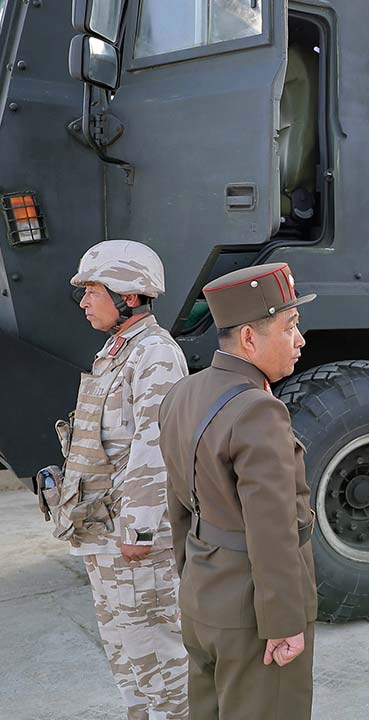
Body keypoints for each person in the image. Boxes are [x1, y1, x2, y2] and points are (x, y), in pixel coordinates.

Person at [158, 263, 318, 720]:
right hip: (255, 614)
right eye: (290, 327)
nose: (300, 339)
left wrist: (194, 584)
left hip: (204, 598)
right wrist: (284, 622)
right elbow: (273, 531)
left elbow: (179, 507)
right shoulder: (258, 411)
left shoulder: (182, 394)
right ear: (249, 338)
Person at [44, 240, 190, 719]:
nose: (84, 301)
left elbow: (156, 448)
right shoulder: (116, 351)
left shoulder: (155, 355)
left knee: (157, 656)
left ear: (128, 294)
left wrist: (140, 530)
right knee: (125, 651)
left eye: (91, 291)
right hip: (102, 532)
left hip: (133, 541)